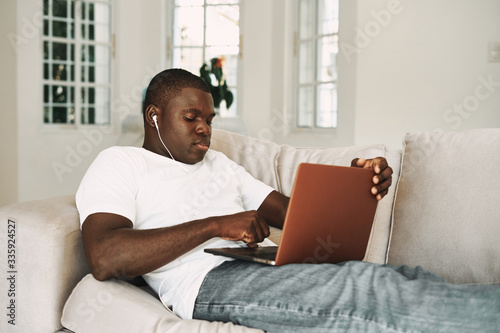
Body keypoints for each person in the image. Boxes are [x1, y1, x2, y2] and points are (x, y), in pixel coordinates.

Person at [77, 68, 500, 332]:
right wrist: (215, 225)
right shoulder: (120, 163)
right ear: (154, 115)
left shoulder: (220, 165)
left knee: (406, 276)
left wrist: (353, 183)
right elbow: (105, 255)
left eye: (209, 119)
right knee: (368, 286)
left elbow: (296, 213)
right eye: (191, 118)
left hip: (262, 265)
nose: (205, 129)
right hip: (207, 283)